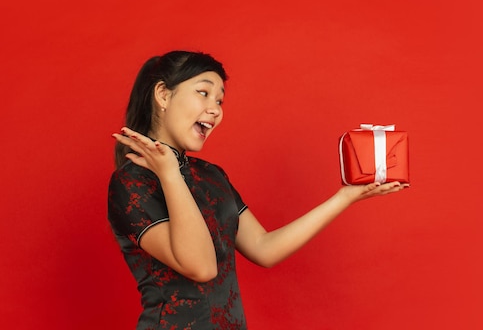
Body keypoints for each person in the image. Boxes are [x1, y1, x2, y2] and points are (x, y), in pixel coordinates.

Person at [107, 50, 409, 329]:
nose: (214, 109)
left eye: (220, 100)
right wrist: (171, 174)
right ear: (163, 94)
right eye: (203, 93)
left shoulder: (211, 176)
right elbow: (201, 267)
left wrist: (345, 196)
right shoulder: (131, 183)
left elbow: (264, 248)